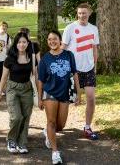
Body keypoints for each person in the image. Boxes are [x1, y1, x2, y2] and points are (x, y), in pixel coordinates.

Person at [38, 30, 81, 164]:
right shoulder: (45, 59)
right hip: (49, 93)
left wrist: (79, 93)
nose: (52, 42)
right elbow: (40, 80)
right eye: (50, 39)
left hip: (65, 93)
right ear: (48, 42)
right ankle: (55, 152)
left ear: (60, 40)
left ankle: (48, 132)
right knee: (51, 122)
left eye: (55, 39)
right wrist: (40, 98)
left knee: (60, 125)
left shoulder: (69, 55)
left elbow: (74, 74)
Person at [62, 3, 100, 140]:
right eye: (79, 13)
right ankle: (56, 125)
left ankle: (87, 127)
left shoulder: (94, 29)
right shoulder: (70, 28)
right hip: (73, 70)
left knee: (91, 97)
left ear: (89, 13)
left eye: (84, 13)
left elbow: (95, 49)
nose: (82, 15)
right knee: (66, 100)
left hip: (88, 69)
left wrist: (95, 67)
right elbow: (63, 48)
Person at [0, 32, 36, 154]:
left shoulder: (31, 57)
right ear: (16, 44)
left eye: (24, 42)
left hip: (27, 89)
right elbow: (3, 77)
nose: (22, 44)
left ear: (28, 43)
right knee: (16, 117)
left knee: (25, 117)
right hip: (13, 88)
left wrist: (39, 93)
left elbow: (35, 75)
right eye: (19, 42)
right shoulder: (10, 59)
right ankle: (11, 139)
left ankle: (22, 142)